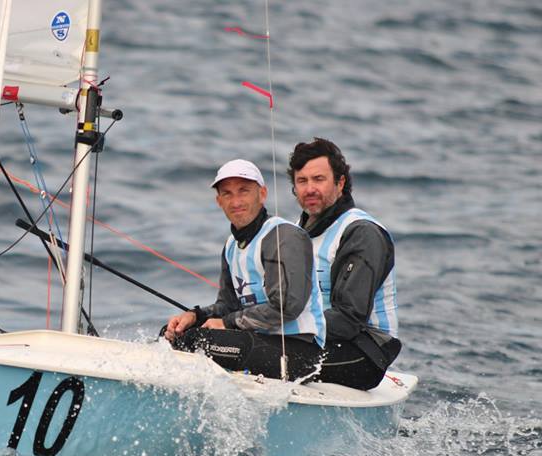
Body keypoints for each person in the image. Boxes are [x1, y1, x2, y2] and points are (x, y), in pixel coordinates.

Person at [164, 159, 326, 381]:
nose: (236, 201)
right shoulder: (231, 245)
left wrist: (227, 323)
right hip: (259, 341)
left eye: (244, 191)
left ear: (262, 194)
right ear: (219, 201)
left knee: (198, 342)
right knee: (174, 334)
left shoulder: (284, 236)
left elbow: (286, 307)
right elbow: (228, 306)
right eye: (227, 194)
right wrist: (195, 316)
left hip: (300, 349)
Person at [287, 138, 402, 390]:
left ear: (340, 183)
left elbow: (348, 319)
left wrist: (279, 328)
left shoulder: (361, 233)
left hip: (365, 351)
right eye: (302, 181)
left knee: (261, 351)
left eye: (319, 179)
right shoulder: (294, 233)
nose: (309, 189)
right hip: (312, 339)